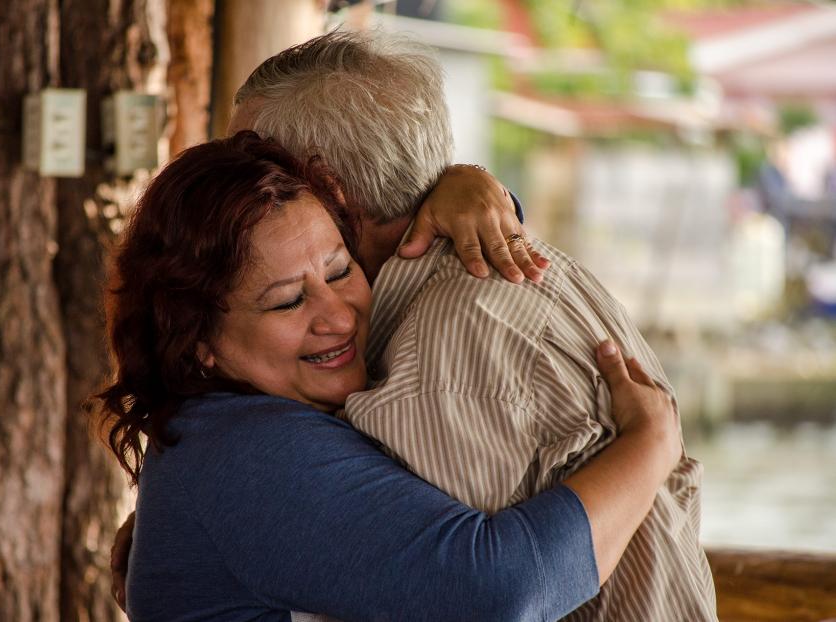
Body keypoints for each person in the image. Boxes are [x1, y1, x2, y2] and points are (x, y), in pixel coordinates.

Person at [229, 30, 716, 621]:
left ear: (328, 191)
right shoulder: (491, 272)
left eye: (250, 168)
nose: (233, 189)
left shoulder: (435, 362)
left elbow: (469, 599)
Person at [98, 130, 682, 621]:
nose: (337, 315)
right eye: (285, 303)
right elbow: (502, 592)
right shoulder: (245, 453)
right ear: (199, 341)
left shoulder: (225, 430)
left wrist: (472, 185)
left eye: (339, 269)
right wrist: (650, 445)